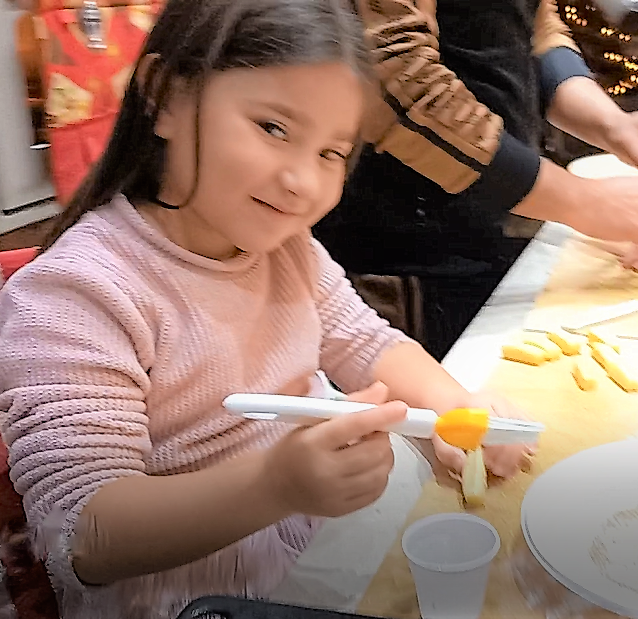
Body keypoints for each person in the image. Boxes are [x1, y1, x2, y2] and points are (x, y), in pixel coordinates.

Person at [0, 1, 532, 618]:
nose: (303, 181)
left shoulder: (287, 250)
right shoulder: (79, 294)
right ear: (166, 95)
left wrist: (457, 413)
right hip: (191, 596)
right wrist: (273, 484)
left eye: (332, 152)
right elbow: (83, 535)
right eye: (274, 128)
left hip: (320, 547)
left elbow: (367, 343)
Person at [313, 0, 638, 359]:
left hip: (495, 233)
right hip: (406, 265)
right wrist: (582, 200)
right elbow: (396, 77)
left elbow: (535, 26)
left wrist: (611, 123)